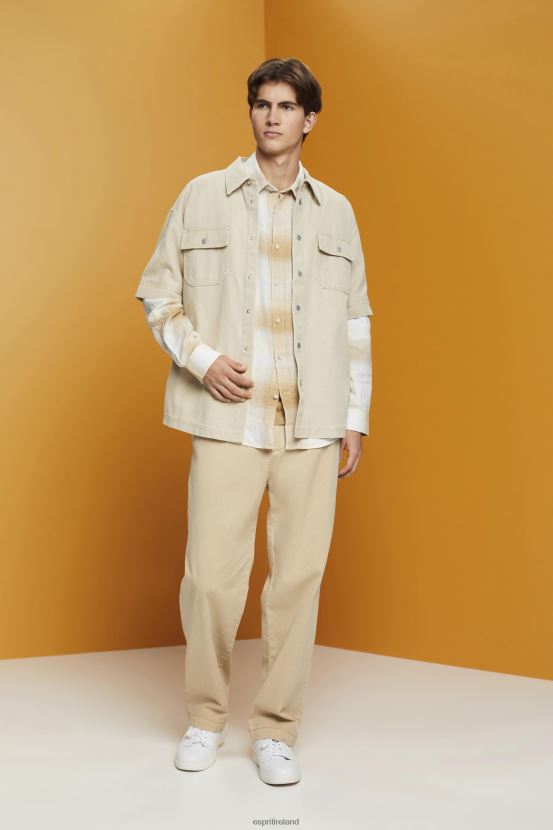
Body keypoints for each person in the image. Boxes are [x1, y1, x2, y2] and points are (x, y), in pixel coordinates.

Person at [134, 57, 374, 786]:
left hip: (312, 423)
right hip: (226, 420)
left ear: (309, 120)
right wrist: (203, 359)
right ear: (251, 112)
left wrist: (355, 414)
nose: (272, 116)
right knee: (210, 580)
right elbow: (158, 297)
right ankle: (206, 718)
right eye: (262, 104)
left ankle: (275, 729)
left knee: (297, 581)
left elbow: (356, 320)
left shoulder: (337, 212)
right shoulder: (202, 196)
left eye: (286, 106)